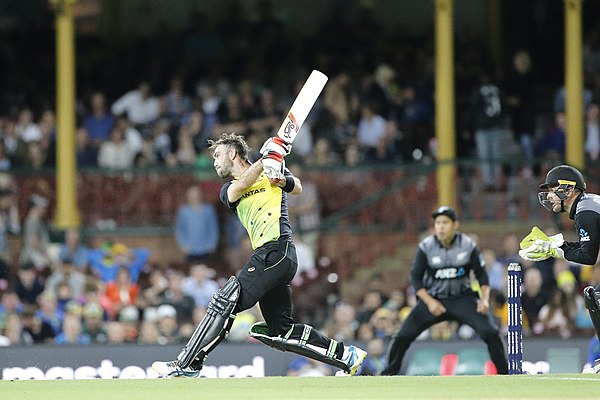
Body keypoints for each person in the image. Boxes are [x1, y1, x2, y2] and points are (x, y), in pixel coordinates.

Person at [152, 132, 366, 377]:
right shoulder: (229, 190)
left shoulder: (270, 172)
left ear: (233, 153)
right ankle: (346, 356)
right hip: (274, 258)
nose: (214, 162)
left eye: (218, 155)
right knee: (281, 331)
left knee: (226, 298)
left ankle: (187, 364)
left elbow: (297, 187)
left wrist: (277, 174)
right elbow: (242, 185)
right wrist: (266, 159)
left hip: (278, 250)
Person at [381, 206, 508, 375]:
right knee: (402, 336)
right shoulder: (426, 247)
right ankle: (388, 374)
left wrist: (484, 300)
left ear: (455, 225)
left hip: (463, 299)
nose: (440, 227)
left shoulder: (468, 245)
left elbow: (481, 275)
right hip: (434, 299)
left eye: (445, 223)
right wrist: (430, 302)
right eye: (438, 223)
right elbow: (415, 279)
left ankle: (505, 374)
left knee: (490, 332)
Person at [518, 164, 600, 372]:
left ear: (568, 189)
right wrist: (558, 245)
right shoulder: (587, 205)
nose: (550, 196)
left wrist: (556, 250)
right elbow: (589, 249)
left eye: (553, 190)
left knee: (595, 297)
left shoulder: (585, 210)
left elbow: (588, 256)